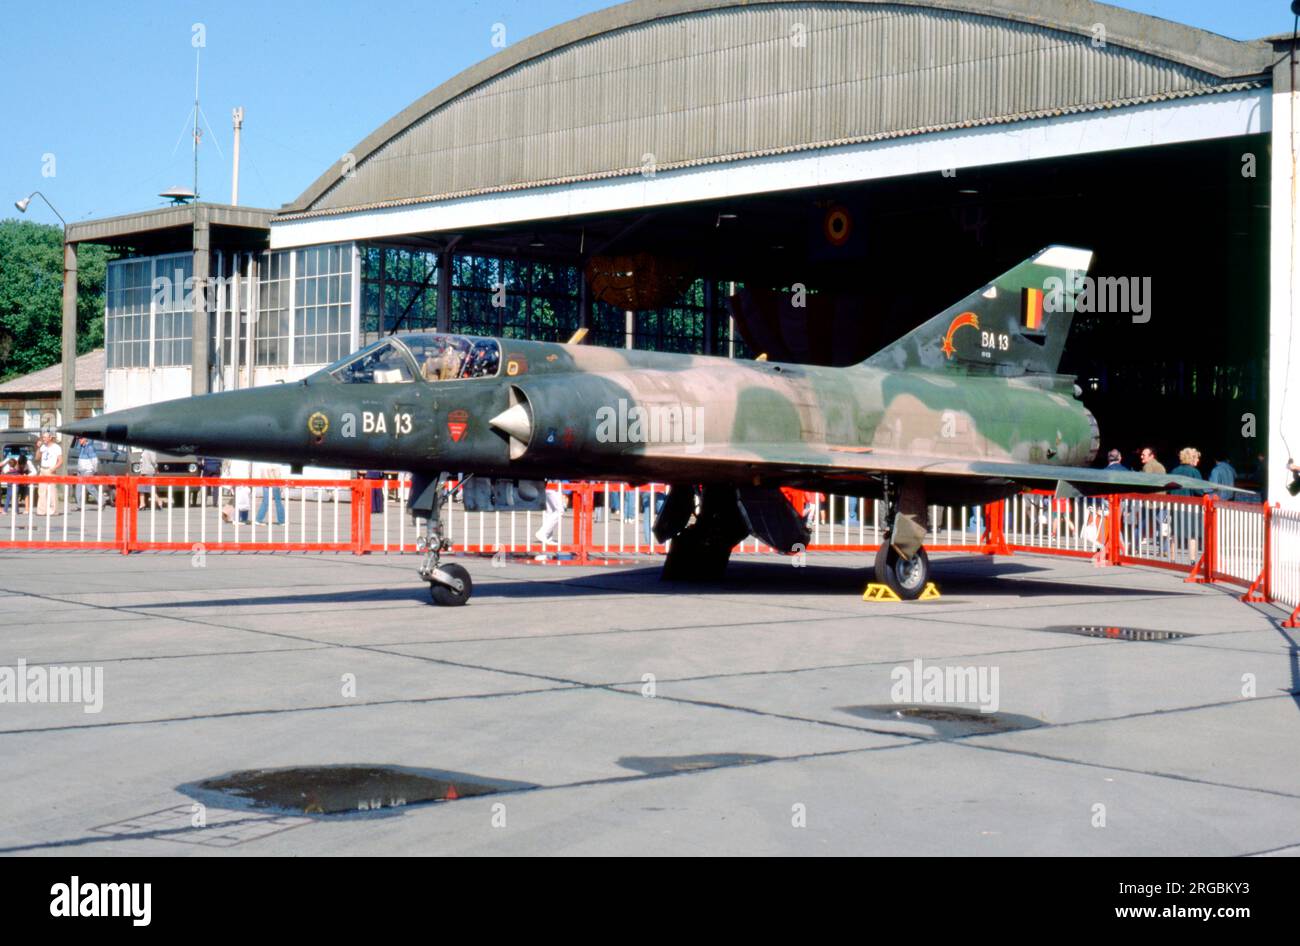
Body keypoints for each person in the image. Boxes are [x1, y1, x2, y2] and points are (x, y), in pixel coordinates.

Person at [1169, 447, 1204, 563]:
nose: (1198, 461)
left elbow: (1169, 488)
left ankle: (1173, 559)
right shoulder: (1194, 472)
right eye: (1197, 458)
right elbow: (1199, 491)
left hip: (1175, 506)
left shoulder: (1174, 470)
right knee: (1192, 534)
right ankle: (1192, 559)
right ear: (1192, 458)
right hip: (1190, 507)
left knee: (1175, 532)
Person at [535, 480, 566, 559]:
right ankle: (543, 533)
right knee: (560, 510)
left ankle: (548, 538)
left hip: (548, 484)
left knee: (550, 511)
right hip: (553, 484)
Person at [34, 432, 63, 516]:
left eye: (45, 437)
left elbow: (60, 461)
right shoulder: (43, 446)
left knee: (52, 491)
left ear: (50, 438)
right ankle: (41, 510)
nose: (44, 439)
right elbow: (37, 458)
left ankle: (53, 510)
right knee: (41, 491)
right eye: (43, 437)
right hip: (43, 469)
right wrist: (38, 448)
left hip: (50, 469)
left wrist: (53, 468)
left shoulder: (56, 447)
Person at [254, 460, 286, 525]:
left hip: (265, 482)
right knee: (278, 502)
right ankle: (281, 520)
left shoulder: (263, 462)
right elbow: (277, 474)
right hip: (275, 483)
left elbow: (262, 473)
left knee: (265, 502)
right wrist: (281, 486)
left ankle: (258, 519)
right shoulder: (275, 462)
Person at [73, 437, 98, 509]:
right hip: (80, 471)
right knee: (78, 488)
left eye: (81, 439)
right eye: (79, 439)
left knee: (89, 487)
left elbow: (94, 460)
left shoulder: (89, 447)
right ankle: (79, 505)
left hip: (87, 471)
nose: (79, 440)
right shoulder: (81, 447)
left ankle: (102, 501)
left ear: (85, 439)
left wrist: (94, 470)